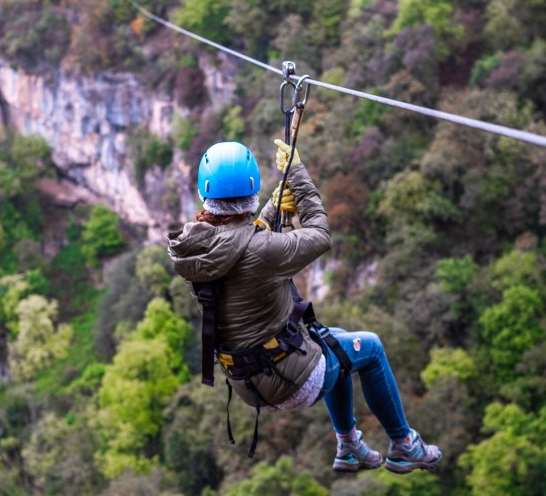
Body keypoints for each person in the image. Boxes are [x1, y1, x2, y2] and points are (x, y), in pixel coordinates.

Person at [168, 140, 441, 474]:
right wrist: (297, 174)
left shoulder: (192, 250)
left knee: (334, 339)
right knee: (370, 347)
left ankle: (349, 446)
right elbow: (319, 235)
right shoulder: (262, 250)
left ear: (204, 194)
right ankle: (403, 443)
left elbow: (239, 246)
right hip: (290, 379)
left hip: (247, 381)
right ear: (251, 191)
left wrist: (273, 208)